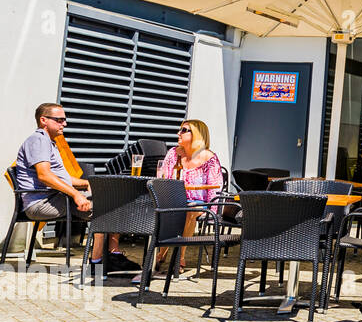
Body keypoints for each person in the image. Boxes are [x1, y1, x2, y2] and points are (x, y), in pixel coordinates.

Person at [13, 103, 139, 274]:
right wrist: (76, 195)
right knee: (106, 208)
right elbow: (44, 176)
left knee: (112, 202)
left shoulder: (50, 142)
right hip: (41, 203)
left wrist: (86, 184)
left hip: (53, 198)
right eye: (59, 120)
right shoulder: (39, 140)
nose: (64, 124)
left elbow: (60, 177)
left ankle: (110, 255)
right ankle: (98, 262)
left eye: (64, 120)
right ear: (44, 120)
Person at [140, 119, 222, 281]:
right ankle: (162, 254)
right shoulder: (173, 153)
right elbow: (164, 177)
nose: (179, 133)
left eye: (184, 130)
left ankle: (178, 257)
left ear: (197, 135)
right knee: (167, 211)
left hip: (199, 203)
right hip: (174, 199)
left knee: (189, 212)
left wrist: (213, 211)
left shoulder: (209, 158)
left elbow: (215, 187)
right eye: (180, 130)